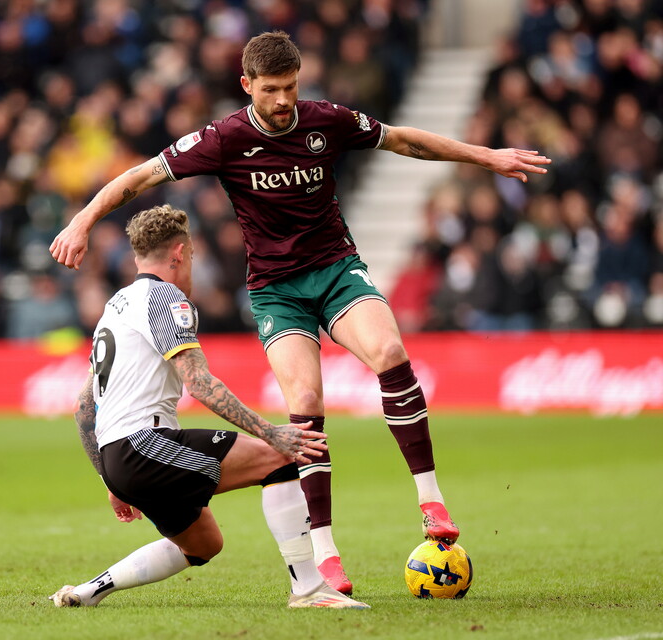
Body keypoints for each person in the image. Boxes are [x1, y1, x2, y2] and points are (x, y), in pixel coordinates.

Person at [50, 31, 552, 595]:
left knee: (390, 351)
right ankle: (325, 554)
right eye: (271, 90)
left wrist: (486, 156)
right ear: (247, 85)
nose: (284, 100)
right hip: (276, 291)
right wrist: (82, 222)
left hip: (336, 269)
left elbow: (402, 140)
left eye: (290, 87)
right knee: (306, 403)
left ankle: (430, 499)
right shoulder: (223, 138)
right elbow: (139, 176)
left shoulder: (325, 120)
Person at [50, 204, 369, 609]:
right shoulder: (166, 298)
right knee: (279, 458)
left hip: (118, 457)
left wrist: (110, 479)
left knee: (203, 544)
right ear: (180, 253)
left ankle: (87, 593)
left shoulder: (115, 306)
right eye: (192, 256)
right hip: (145, 445)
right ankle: (308, 590)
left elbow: (83, 407)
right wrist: (271, 433)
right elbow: (199, 383)